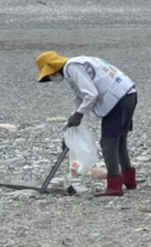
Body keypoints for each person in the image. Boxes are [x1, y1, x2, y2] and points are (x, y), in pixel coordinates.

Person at [35, 50, 139, 198]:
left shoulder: (72, 68)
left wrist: (79, 114)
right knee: (120, 140)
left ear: (53, 69)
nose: (51, 79)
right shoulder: (77, 64)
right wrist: (71, 124)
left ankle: (115, 185)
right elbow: (80, 97)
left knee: (108, 142)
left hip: (117, 100)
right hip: (128, 93)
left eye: (49, 76)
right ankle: (129, 180)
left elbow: (91, 93)